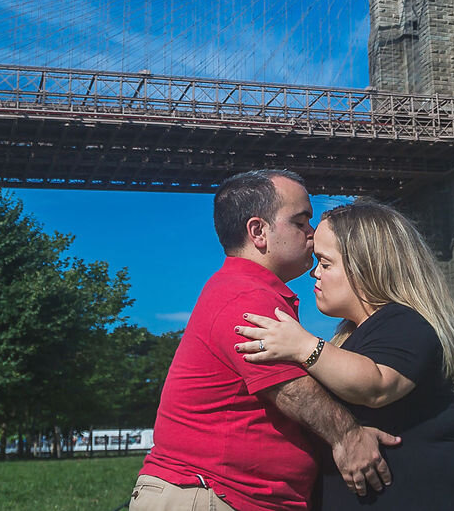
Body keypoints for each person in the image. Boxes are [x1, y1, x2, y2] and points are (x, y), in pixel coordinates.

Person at [134, 170, 401, 511]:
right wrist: (348, 437)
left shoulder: (244, 290)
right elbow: (291, 388)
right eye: (301, 221)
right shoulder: (243, 295)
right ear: (258, 231)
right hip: (208, 493)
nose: (312, 232)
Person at [234, 199, 454, 510]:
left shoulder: (404, 322)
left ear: (366, 267)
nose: (314, 274)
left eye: (325, 263)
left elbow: (377, 385)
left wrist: (302, 346)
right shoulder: (352, 337)